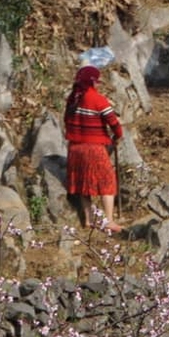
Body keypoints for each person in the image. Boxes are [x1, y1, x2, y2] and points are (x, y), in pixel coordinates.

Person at [63, 65, 124, 232]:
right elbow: (114, 124)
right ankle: (109, 221)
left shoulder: (73, 99)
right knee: (107, 182)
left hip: (75, 148)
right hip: (94, 148)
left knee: (83, 184)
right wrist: (117, 136)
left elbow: (66, 121)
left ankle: (89, 219)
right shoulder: (97, 99)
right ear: (92, 82)